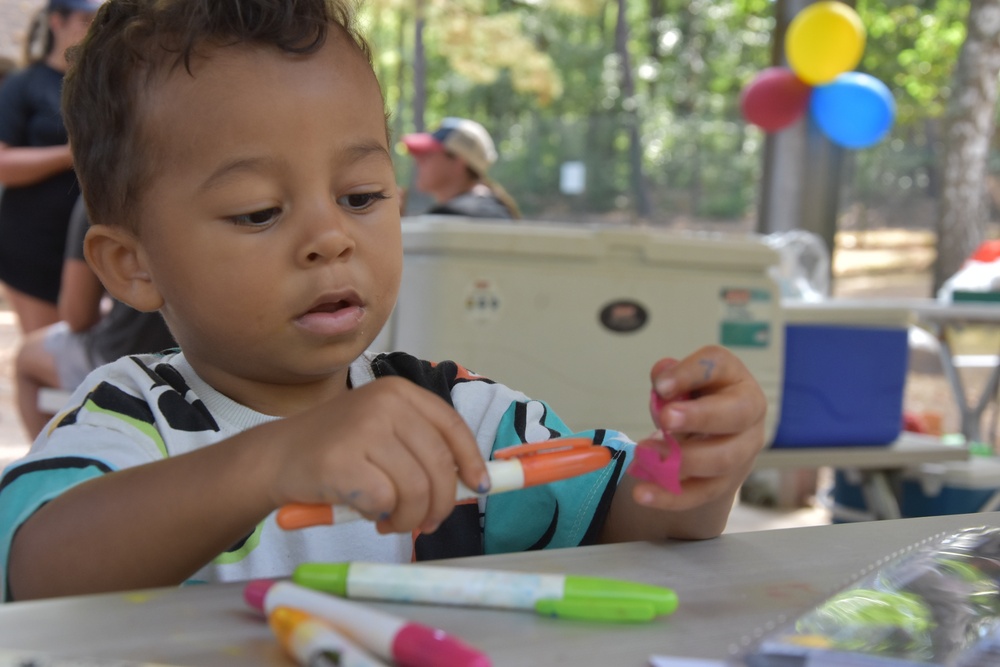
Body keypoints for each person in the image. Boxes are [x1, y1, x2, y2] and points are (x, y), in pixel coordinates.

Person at [0, 0, 767, 602]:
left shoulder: (462, 419)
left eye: (362, 195)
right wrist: (273, 459)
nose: (330, 238)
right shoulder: (133, 423)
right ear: (132, 266)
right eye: (259, 211)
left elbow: (629, 525)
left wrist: (693, 469)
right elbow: (37, 569)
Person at [14, 196, 177, 438]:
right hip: (201, 354)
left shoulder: (102, 195)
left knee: (27, 357)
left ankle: (55, 466)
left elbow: (78, 316)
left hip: (132, 355)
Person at [0, 0, 103, 335]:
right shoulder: (23, 84)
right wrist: (70, 155)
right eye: (85, 19)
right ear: (57, 22)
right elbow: (3, 163)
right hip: (32, 246)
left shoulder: (100, 85)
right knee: (48, 347)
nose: (91, 27)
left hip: (86, 244)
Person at [402, 117, 522, 219]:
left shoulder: (456, 214)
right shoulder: (496, 209)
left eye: (428, 155)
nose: (418, 162)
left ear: (459, 161)